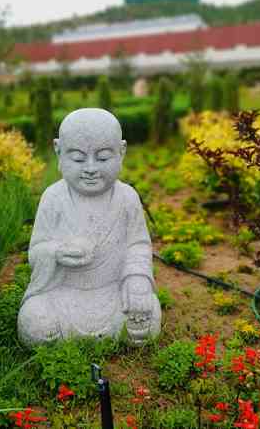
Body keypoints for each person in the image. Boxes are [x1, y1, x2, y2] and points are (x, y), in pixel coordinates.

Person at [17, 108, 161, 346]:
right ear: (58, 151)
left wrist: (137, 281)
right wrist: (56, 252)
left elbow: (137, 246)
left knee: (148, 317)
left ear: (121, 152)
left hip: (112, 293)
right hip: (63, 294)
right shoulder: (53, 198)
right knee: (35, 322)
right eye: (78, 158)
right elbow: (37, 250)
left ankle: (119, 327)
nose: (91, 168)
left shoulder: (127, 198)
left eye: (103, 158)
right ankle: (54, 330)